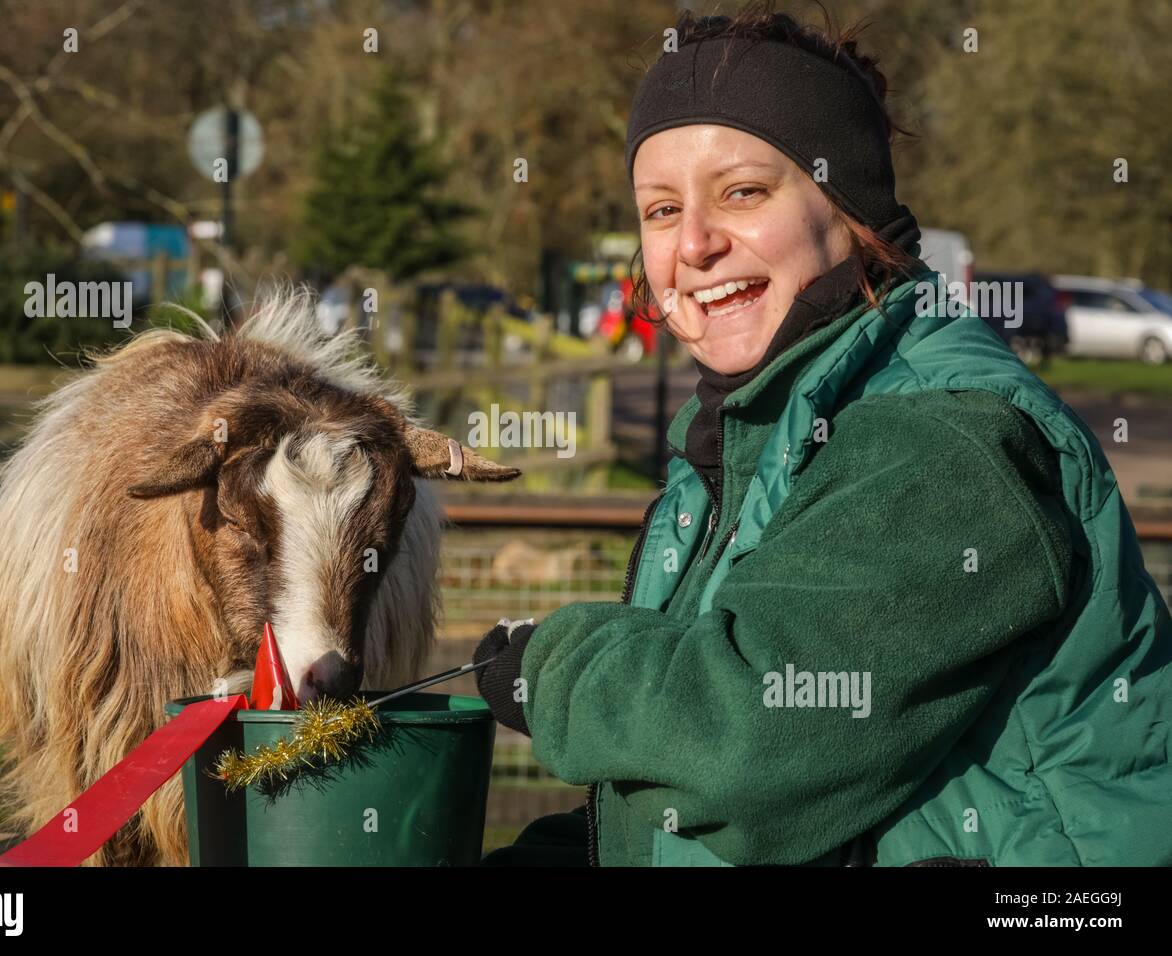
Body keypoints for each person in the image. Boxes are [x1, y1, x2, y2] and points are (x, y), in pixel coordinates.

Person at [473, 5, 1172, 867]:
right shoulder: (738, 446)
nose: (693, 243)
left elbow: (742, 746)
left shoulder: (940, 442)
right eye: (660, 210)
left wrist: (560, 667)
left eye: (743, 191)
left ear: (850, 212)